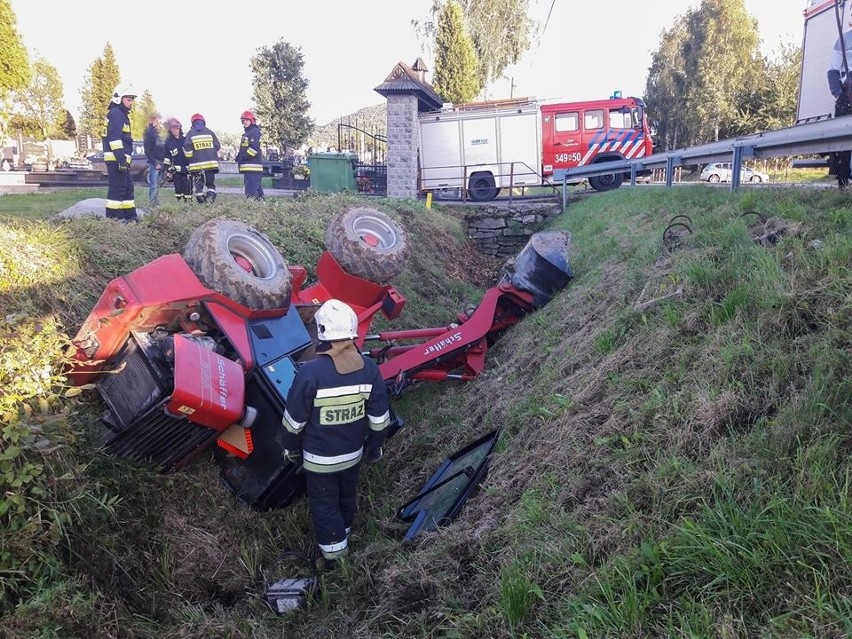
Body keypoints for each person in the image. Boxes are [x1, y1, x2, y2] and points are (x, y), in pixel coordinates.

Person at [282, 299, 390, 566]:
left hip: (320, 460)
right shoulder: (370, 369)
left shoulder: (310, 372)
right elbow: (379, 419)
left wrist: (290, 448)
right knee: (346, 497)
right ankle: (344, 534)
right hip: (353, 455)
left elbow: (294, 421)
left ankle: (335, 560)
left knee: (324, 505)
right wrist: (374, 447)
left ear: (321, 331)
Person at [102, 84, 138, 221]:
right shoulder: (117, 114)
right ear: (119, 99)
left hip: (120, 160)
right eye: (129, 99)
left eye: (132, 100)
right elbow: (114, 139)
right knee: (117, 189)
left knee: (127, 188)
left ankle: (129, 216)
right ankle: (113, 219)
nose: (131, 103)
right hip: (117, 160)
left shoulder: (120, 114)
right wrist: (121, 160)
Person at [827, 3, 852, 188]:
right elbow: (833, 70)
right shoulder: (843, 41)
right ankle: (842, 182)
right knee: (843, 138)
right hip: (847, 93)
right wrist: (838, 93)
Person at [183, 113, 221, 203]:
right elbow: (217, 146)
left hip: (197, 166)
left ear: (192, 123)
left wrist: (190, 158)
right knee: (210, 184)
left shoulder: (190, 134)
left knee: (199, 184)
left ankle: (201, 200)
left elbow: (186, 148)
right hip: (211, 164)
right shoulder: (210, 132)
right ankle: (210, 197)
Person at [235, 110, 264, 199]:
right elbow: (245, 148)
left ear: (251, 120)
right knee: (256, 190)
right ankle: (261, 206)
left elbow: (254, 149)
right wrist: (239, 156)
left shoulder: (254, 132)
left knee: (251, 191)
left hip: (252, 167)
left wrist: (243, 157)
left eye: (246, 120)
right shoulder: (248, 133)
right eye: (243, 121)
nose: (244, 122)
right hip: (249, 168)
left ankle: (253, 208)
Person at [163, 117, 192, 204]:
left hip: (187, 170)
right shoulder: (168, 142)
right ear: (170, 130)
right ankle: (179, 203)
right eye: (173, 129)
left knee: (188, 189)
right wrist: (167, 170)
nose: (175, 131)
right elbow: (167, 158)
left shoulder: (185, 140)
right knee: (178, 189)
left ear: (180, 129)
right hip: (176, 171)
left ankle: (188, 205)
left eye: (177, 129)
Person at [143, 111, 165, 206]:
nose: (159, 122)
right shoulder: (149, 133)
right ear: (152, 120)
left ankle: (157, 204)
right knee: (153, 186)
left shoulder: (159, 133)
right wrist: (155, 163)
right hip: (154, 163)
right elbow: (147, 150)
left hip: (163, 162)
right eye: (157, 120)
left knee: (159, 185)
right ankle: (153, 206)